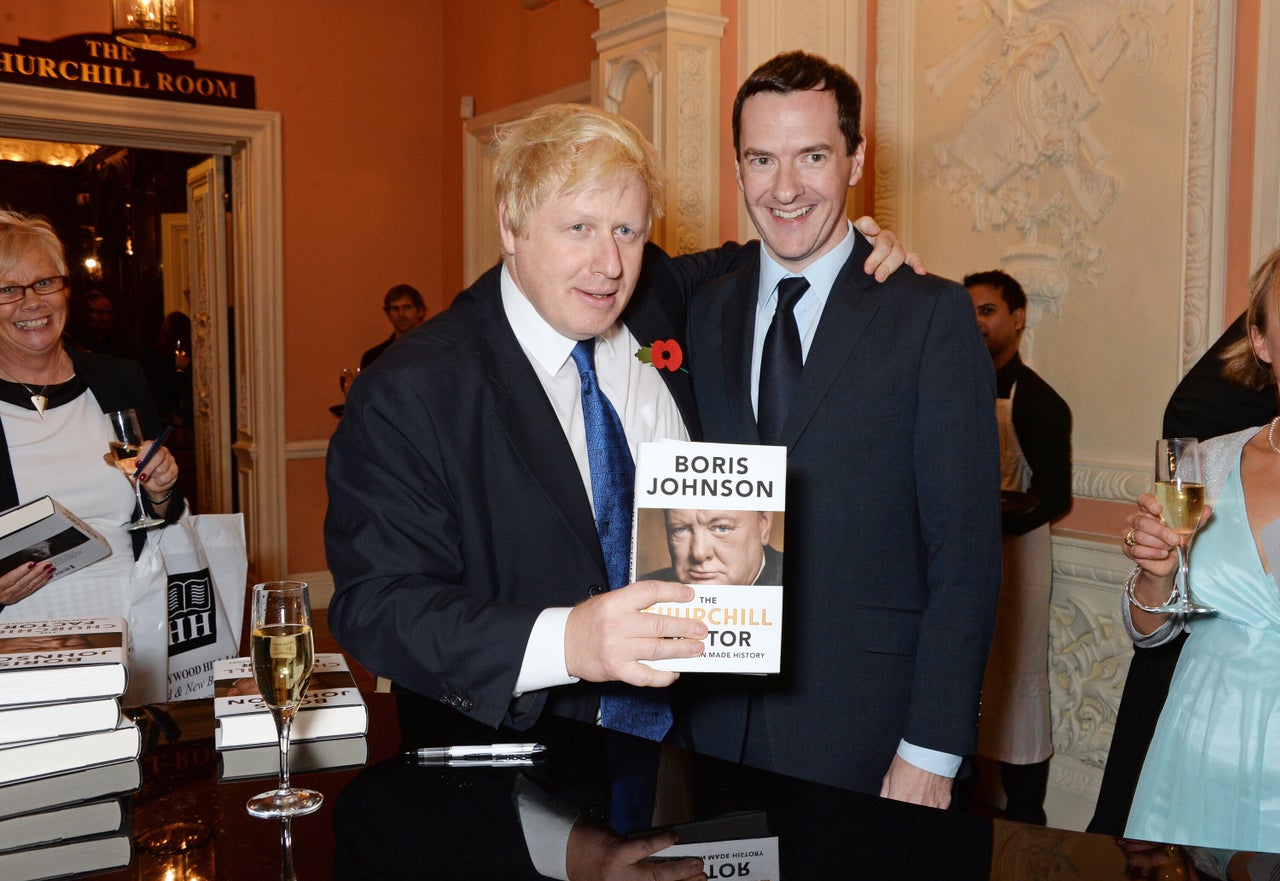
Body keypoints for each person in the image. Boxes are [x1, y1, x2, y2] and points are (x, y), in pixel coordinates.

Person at [324, 103, 912, 741]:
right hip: (524, 766)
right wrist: (569, 642)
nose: (609, 264)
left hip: (704, 741)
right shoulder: (412, 391)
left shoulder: (656, 293)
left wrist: (852, 248)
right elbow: (377, 605)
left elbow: (759, 256)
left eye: (627, 231)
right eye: (578, 227)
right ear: (511, 225)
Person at [680, 51, 1002, 808]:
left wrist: (932, 748)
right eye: (762, 159)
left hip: (872, 734)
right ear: (737, 168)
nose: (785, 188)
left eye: (812, 157)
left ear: (856, 158)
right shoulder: (703, 312)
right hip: (713, 728)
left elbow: (966, 553)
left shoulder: (930, 316)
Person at [1089, 312, 1277, 835]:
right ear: (1260, 341)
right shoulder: (1212, 459)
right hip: (1196, 743)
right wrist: (1158, 574)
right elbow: (1153, 633)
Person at [0, 210, 183, 703]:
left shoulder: (119, 379)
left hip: (135, 620)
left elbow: (157, 521)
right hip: (19, 633)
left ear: (66, 289)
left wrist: (161, 493)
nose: (31, 302)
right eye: (7, 289)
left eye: (44, 282)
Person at [965, 269, 1072, 825]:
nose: (978, 322)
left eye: (988, 310)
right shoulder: (955, 388)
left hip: (1018, 557)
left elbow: (1055, 496)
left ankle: (1028, 819)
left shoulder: (1041, 401)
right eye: (971, 312)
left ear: (1018, 318)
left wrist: (995, 519)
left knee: (1017, 680)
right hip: (965, 558)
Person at [643, 509, 782, 587]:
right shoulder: (644, 587)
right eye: (680, 529)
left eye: (722, 528)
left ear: (764, 525)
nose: (699, 553)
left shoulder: (800, 587)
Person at [360, 284, 427, 369]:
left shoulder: (433, 351)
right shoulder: (374, 357)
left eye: (406, 307)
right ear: (388, 314)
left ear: (420, 311)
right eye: (395, 309)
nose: (401, 314)